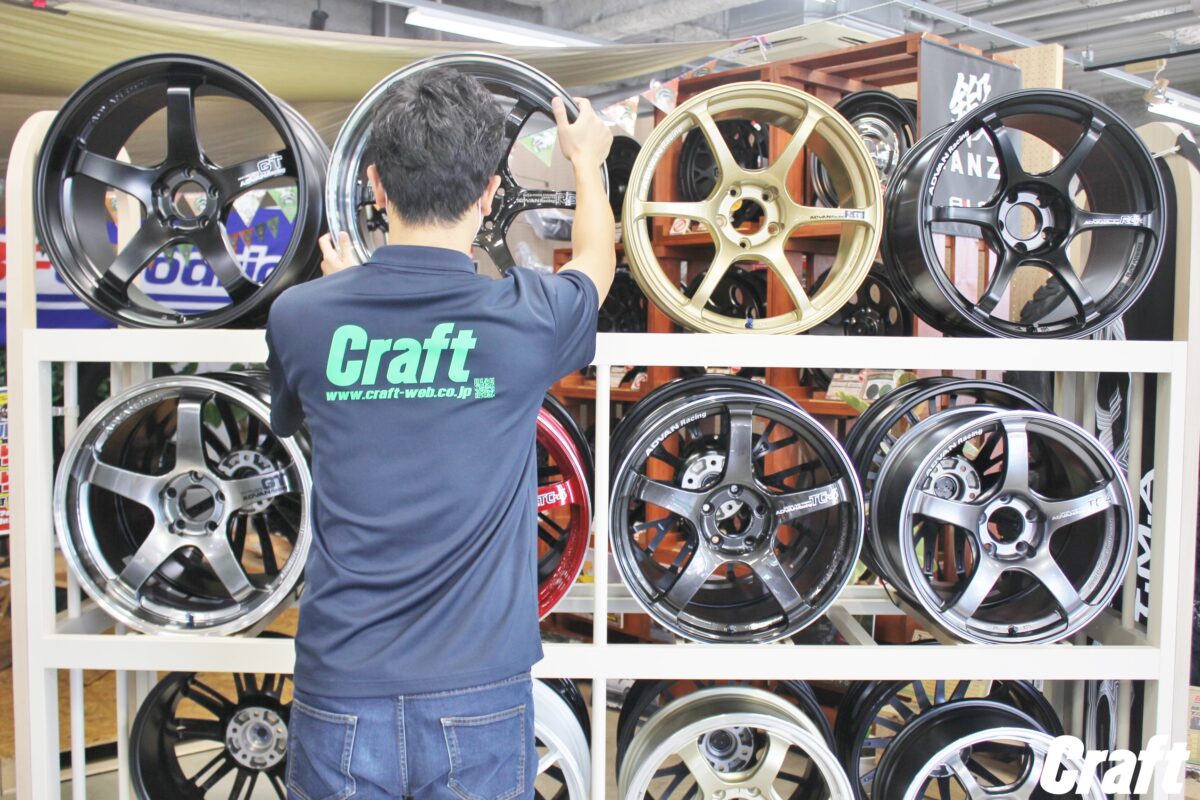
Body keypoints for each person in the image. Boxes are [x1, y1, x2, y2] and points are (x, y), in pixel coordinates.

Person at [265, 66, 614, 800]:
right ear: (490, 193)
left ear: (375, 184)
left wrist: (342, 289)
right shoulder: (528, 319)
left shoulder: (301, 318)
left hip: (341, 685)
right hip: (478, 693)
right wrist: (587, 161)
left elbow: (318, 398)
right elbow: (596, 262)